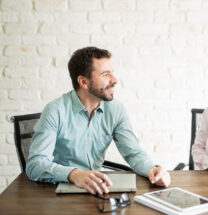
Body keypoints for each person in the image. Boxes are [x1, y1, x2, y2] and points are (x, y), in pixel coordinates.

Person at [26, 47, 171, 194]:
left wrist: (152, 169)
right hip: (58, 190)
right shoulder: (55, 110)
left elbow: (133, 153)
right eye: (105, 74)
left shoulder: (116, 109)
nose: (114, 80)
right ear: (83, 82)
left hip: (97, 189)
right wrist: (74, 174)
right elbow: (35, 165)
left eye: (112, 73)